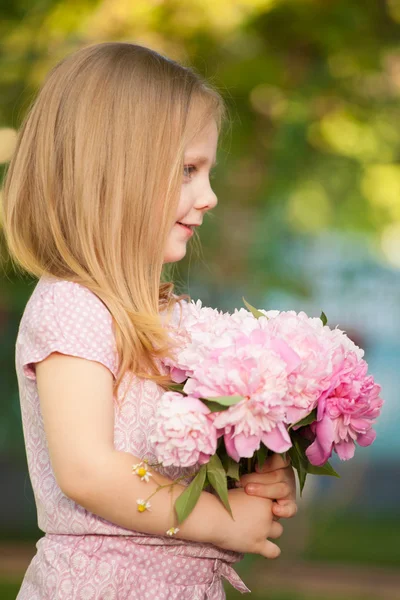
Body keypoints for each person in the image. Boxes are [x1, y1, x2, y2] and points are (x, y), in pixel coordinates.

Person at [2, 42, 297, 600]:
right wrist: (220, 520)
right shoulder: (73, 304)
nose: (208, 196)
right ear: (113, 173)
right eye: (188, 169)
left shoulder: (169, 319)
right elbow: (88, 470)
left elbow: (176, 463)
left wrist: (255, 478)